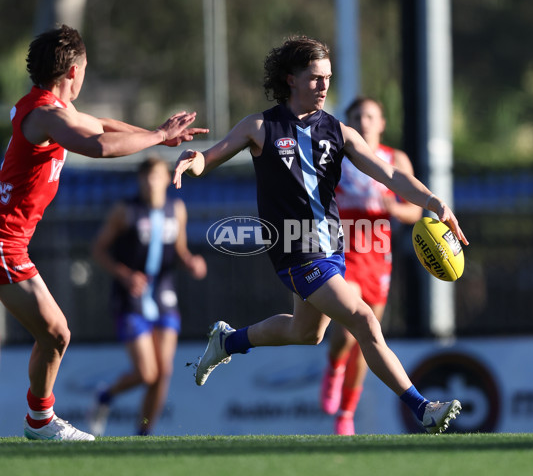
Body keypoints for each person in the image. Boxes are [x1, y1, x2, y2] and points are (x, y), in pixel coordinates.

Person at [173, 35, 468, 434]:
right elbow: (210, 159)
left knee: (306, 333)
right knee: (363, 318)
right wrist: (193, 161)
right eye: (315, 78)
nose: (324, 85)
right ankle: (423, 408)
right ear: (290, 78)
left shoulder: (338, 131)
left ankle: (227, 342)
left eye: (327, 77)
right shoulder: (261, 126)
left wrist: (435, 202)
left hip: (331, 248)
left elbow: (392, 174)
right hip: (295, 251)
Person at [1, 24, 205, 441]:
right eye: (86, 69)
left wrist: (155, 135)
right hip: (4, 243)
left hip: (11, 243)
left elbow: (102, 125)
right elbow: (98, 146)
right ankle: (40, 422)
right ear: (73, 71)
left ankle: (39, 420)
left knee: (53, 334)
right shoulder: (46, 115)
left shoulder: (47, 106)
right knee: (55, 333)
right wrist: (158, 136)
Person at [320, 97, 423, 435]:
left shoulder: (395, 159)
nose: (363, 122)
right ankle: (334, 365)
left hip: (377, 257)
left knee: (369, 339)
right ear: (347, 123)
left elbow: (415, 211)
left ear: (381, 123)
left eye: (370, 116)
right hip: (341, 253)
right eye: (356, 117)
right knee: (348, 331)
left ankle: (347, 414)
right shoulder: (338, 155)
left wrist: (393, 207)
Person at [87, 156, 207, 436]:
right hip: (131, 298)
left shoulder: (176, 209)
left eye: (157, 176)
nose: (152, 182)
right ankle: (105, 395)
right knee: (146, 373)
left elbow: (180, 249)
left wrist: (191, 262)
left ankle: (144, 433)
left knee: (163, 372)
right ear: (140, 180)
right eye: (146, 177)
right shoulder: (125, 211)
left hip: (164, 295)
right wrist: (124, 274)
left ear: (167, 179)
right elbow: (98, 249)